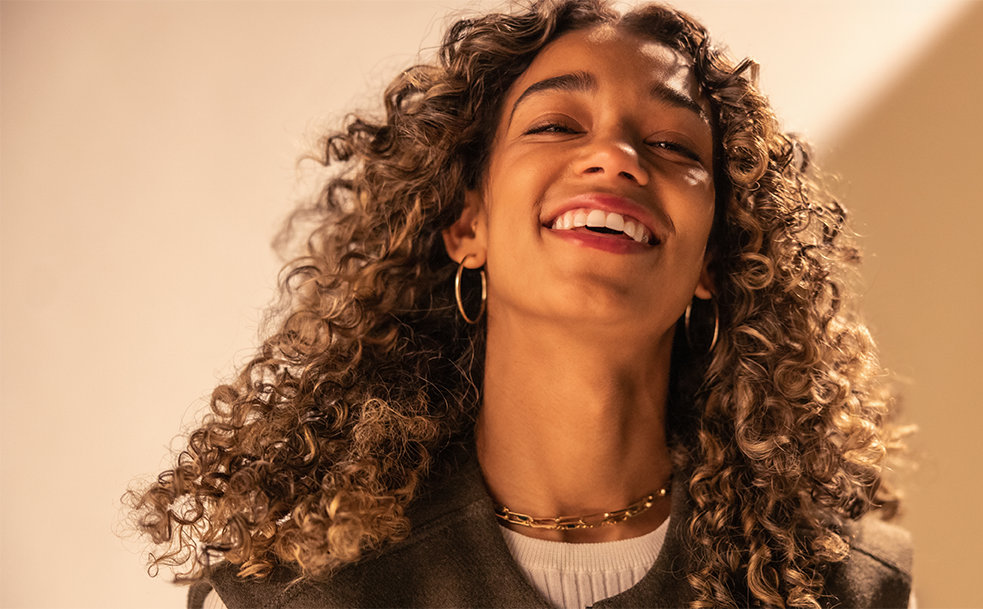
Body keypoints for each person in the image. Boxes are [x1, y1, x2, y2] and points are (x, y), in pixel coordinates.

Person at [127, 0, 912, 607]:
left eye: (672, 144)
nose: (613, 156)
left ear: (714, 255)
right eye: (556, 124)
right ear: (466, 224)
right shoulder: (295, 592)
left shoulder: (845, 587)